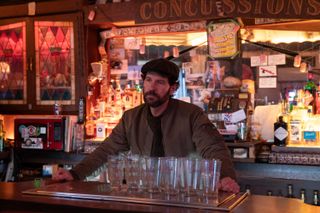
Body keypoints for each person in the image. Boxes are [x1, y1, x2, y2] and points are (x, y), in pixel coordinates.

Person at [53, 58, 240, 193]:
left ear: (173, 88)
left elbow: (214, 148)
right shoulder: (131, 118)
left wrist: (225, 178)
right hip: (146, 195)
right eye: (148, 80)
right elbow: (106, 151)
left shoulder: (191, 115)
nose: (151, 87)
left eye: (159, 82)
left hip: (185, 196)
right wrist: (76, 174)